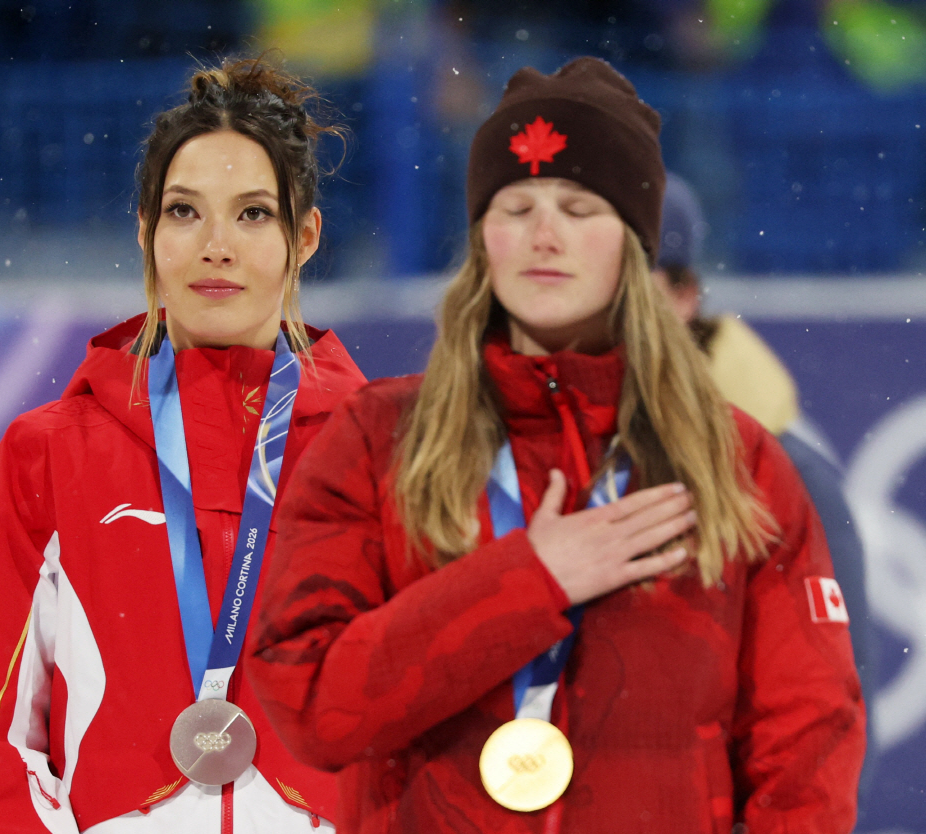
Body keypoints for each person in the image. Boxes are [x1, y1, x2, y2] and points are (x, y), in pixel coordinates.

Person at [247, 57, 864, 833]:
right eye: (516, 206)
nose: (545, 235)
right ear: (482, 241)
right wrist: (527, 582)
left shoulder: (737, 464)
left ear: (636, 248)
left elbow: (806, 746)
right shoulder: (376, 440)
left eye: (579, 207)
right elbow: (311, 707)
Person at [0, 57, 365, 834]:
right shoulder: (46, 458)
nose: (217, 246)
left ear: (305, 236)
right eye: (184, 211)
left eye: (254, 214)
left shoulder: (383, 454)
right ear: (145, 230)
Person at [653, 172, 875, 795]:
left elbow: (837, 723)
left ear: (684, 295)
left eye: (631, 276)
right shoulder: (549, 445)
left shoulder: (785, 472)